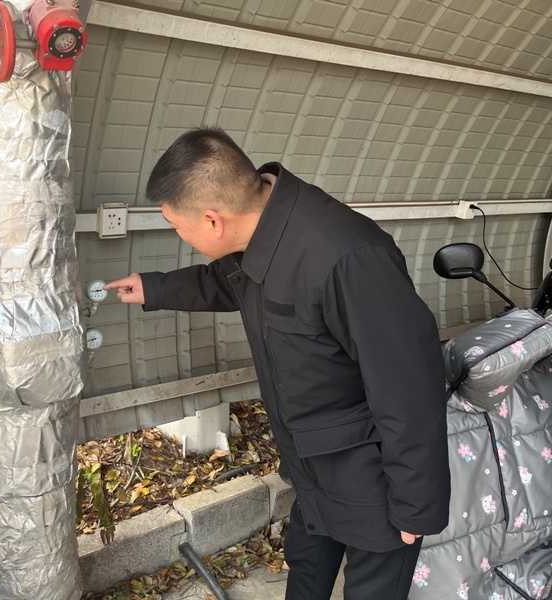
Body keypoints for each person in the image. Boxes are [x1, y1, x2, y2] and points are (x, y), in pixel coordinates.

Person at [103, 127, 450, 600]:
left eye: (177, 226)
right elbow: (227, 282)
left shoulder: (347, 257)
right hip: (312, 466)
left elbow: (410, 387)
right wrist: (155, 287)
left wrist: (416, 505)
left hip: (373, 477)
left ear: (212, 221)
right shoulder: (261, 228)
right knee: (305, 570)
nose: (178, 234)